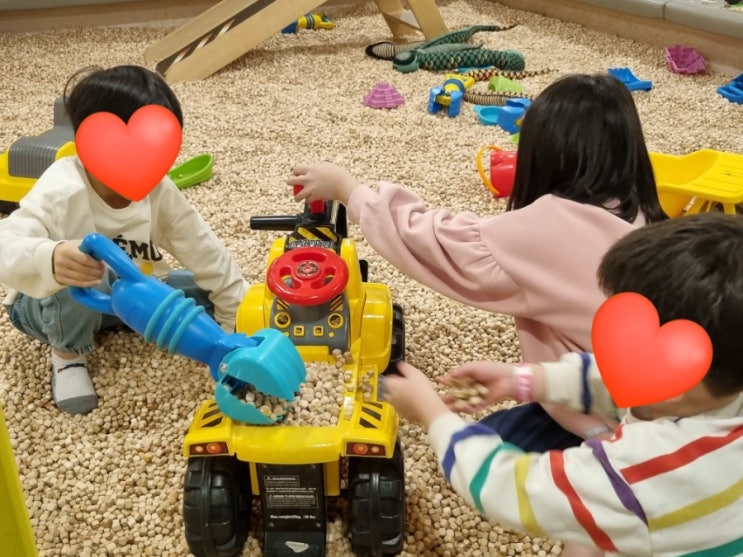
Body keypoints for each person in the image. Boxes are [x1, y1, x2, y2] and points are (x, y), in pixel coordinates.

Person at [287, 72, 668, 451]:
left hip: (618, 425)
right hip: (671, 404)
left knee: (480, 448)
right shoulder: (645, 216)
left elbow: (432, 240)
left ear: (546, 155)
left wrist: (348, 190)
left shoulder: (552, 225)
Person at [382, 211, 743, 556]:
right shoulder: (714, 394)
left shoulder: (642, 473)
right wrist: (523, 380)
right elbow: (618, 378)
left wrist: (432, 413)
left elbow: (509, 486)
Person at [0, 65, 246, 415]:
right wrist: (50, 257)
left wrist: (230, 327)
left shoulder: (158, 189)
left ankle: (124, 320)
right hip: (49, 306)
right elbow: (6, 243)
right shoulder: (63, 188)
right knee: (87, 270)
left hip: (126, 296)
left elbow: (205, 249)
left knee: (203, 292)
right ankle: (67, 358)